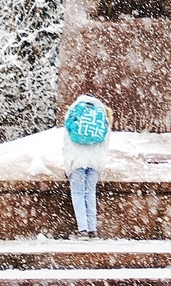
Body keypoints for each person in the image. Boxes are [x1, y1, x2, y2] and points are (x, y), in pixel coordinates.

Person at [63, 94, 111, 239]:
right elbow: (105, 142)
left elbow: (67, 142)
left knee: (78, 193)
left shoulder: (74, 113)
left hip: (77, 160)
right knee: (90, 193)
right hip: (95, 161)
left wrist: (68, 164)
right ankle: (92, 229)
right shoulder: (102, 116)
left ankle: (82, 230)